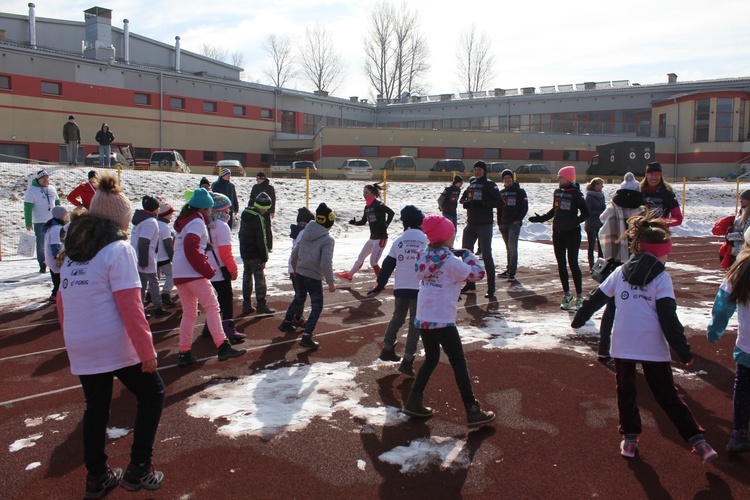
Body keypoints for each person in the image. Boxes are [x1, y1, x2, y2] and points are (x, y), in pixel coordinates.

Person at [572, 212, 717, 463]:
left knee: (626, 393)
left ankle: (630, 438)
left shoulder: (619, 273)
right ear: (661, 252)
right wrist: (684, 352)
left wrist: (579, 319)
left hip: (623, 346)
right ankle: (698, 440)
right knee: (667, 395)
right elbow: (669, 319)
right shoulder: (662, 278)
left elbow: (596, 297)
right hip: (652, 348)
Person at [56, 173, 166, 496]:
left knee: (96, 407)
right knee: (152, 393)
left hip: (81, 342)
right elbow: (131, 307)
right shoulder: (119, 250)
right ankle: (139, 468)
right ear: (120, 221)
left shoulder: (72, 254)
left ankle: (97, 476)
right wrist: (147, 350)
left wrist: (73, 342)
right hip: (111, 340)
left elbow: (62, 306)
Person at [403, 214, 496, 429]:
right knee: (458, 361)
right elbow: (478, 273)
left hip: (424, 317)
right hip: (443, 319)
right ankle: (472, 409)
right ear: (447, 237)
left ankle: (413, 400)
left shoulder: (423, 256)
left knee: (432, 358)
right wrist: (468, 254)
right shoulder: (452, 261)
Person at [172, 188, 246, 366]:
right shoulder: (197, 222)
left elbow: (182, 246)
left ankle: (184, 351)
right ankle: (223, 346)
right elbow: (191, 247)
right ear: (205, 208)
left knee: (189, 313)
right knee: (213, 307)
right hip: (193, 272)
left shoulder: (186, 221)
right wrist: (207, 269)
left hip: (180, 272)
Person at [366, 205, 428, 376]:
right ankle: (408, 360)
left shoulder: (399, 241)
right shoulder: (426, 240)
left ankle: (387, 349)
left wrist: (380, 284)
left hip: (401, 287)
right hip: (418, 288)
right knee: (415, 325)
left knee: (397, 318)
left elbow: (387, 266)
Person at [707, 228, 750, 453]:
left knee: (743, 386)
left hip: (748, 346)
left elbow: (722, 307)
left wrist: (715, 331)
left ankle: (740, 432)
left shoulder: (739, 273)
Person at [595, 172, 646, 359]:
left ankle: (603, 344)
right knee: (638, 304)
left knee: (611, 304)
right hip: (635, 260)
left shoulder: (613, 207)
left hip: (614, 259)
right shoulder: (641, 210)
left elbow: (602, 220)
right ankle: (633, 347)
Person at [528, 166, 589, 310]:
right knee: (561, 264)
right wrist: (541, 219)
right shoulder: (557, 192)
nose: (558, 180)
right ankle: (567, 294)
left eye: (560, 177)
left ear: (568, 178)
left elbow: (586, 213)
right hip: (558, 232)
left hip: (572, 233)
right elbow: (554, 210)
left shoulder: (576, 194)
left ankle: (579, 296)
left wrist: (575, 222)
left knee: (573, 263)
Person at [278, 203, 336, 350]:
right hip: (314, 276)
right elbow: (325, 262)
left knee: (299, 297)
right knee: (317, 306)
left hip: (301, 273)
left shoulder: (305, 232)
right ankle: (307, 336)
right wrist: (330, 281)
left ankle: (286, 321)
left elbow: (294, 253)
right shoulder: (327, 240)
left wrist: (296, 266)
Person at [204, 192, 245, 343]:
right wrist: (233, 270)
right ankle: (228, 327)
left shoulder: (205, 224)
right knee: (226, 297)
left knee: (212, 299)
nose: (229, 212)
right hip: (219, 268)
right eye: (227, 209)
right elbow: (226, 252)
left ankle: (209, 326)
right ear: (220, 210)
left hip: (206, 267)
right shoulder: (221, 226)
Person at [458, 161, 502, 298]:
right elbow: (463, 199)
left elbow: (500, 202)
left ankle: (491, 288)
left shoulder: (489, 184)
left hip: (484, 224)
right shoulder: (472, 184)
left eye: (479, 169)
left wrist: (483, 204)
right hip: (471, 223)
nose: (476, 172)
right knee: (466, 254)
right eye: (474, 169)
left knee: (487, 255)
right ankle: (470, 284)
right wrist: (466, 203)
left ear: (484, 171)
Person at [337, 182, 395, 281]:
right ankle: (349, 275)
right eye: (363, 193)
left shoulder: (378, 204)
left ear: (372, 193)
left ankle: (381, 281)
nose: (364, 195)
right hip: (372, 238)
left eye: (366, 193)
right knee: (361, 257)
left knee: (373, 262)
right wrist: (354, 223)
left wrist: (386, 224)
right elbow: (364, 222)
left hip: (381, 238)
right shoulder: (367, 207)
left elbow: (391, 213)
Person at [131, 195, 171, 319]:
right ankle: (158, 308)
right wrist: (144, 261)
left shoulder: (140, 220)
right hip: (145, 258)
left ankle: (140, 309)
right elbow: (144, 242)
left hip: (139, 257)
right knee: (153, 283)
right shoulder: (150, 222)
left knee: (142, 285)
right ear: (155, 209)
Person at [239, 192, 275, 315]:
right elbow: (261, 240)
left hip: (245, 252)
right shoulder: (258, 218)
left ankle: (246, 304)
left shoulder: (246, 215)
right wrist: (264, 258)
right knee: (260, 279)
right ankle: (261, 304)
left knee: (247, 277)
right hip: (255, 254)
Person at [284, 206, 316, 331]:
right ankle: (292, 318)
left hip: (296, 267)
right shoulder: (303, 233)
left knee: (300, 295)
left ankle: (296, 317)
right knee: (300, 295)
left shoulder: (298, 231)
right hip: (298, 268)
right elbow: (299, 252)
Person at [24, 169, 60, 273]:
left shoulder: (52, 188)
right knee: (41, 245)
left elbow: (57, 203)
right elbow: (28, 207)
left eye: (47, 178)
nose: (46, 180)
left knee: (55, 242)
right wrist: (28, 222)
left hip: (54, 221)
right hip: (40, 222)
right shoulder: (31, 191)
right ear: (38, 179)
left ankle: (55, 263)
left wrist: (61, 218)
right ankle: (42, 264)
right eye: (44, 178)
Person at [496, 169, 528, 282]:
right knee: (508, 248)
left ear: (512, 178)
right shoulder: (501, 192)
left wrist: (518, 220)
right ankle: (508, 269)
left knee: (512, 248)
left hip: (514, 224)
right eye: (505, 178)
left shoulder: (520, 192)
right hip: (504, 224)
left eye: (509, 178)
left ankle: (512, 272)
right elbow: (499, 209)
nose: (507, 180)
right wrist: (499, 222)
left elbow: (524, 207)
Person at [640, 162, 683, 227]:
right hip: (641, 234)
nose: (654, 177)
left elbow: (678, 218)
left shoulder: (668, 193)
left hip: (661, 234)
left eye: (657, 174)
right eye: (651, 174)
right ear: (646, 175)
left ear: (661, 176)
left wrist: (660, 222)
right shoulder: (638, 191)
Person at [43, 206, 68, 302]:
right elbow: (55, 245)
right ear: (61, 216)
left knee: (56, 279)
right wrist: (59, 258)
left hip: (50, 259)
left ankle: (56, 295)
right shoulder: (56, 228)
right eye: (66, 215)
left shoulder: (51, 226)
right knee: (59, 280)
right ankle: (55, 295)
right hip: (54, 259)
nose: (67, 216)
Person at [155, 202, 177, 307]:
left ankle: (151, 293)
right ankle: (165, 293)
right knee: (172, 274)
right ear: (165, 214)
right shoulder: (164, 227)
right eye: (170, 214)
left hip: (154, 257)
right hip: (163, 257)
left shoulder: (154, 223)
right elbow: (167, 244)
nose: (171, 217)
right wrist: (173, 257)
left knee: (155, 277)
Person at [249, 171, 276, 249]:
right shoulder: (255, 187)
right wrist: (249, 208)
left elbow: (273, 200)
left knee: (267, 228)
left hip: (266, 211)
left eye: (258, 178)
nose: (257, 180)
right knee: (256, 228)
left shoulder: (269, 188)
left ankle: (269, 246)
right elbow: (251, 198)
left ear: (262, 179)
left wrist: (272, 211)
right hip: (255, 211)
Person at [584, 177, 606, 271]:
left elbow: (604, 207)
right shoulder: (589, 196)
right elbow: (588, 211)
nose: (602, 187)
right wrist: (600, 213)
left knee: (601, 245)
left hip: (600, 224)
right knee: (591, 245)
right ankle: (591, 265)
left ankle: (600, 266)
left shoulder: (601, 195)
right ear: (596, 185)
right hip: (591, 224)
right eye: (601, 185)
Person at [725, 190, 750, 263]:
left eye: (743, 199)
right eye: (740, 199)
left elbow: (746, 235)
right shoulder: (741, 211)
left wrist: (729, 236)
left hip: (744, 252)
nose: (740, 201)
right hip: (736, 250)